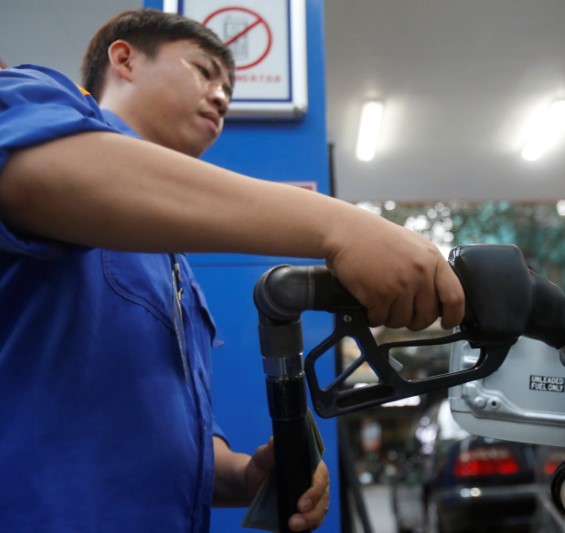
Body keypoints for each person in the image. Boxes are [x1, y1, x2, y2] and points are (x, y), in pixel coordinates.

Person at [0, 9, 464, 533]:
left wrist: (244, 477)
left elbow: (160, 442)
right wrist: (343, 225)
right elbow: (36, 174)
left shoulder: (171, 262)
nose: (221, 96)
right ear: (124, 59)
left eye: (229, 88)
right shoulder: (26, 95)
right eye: (203, 71)